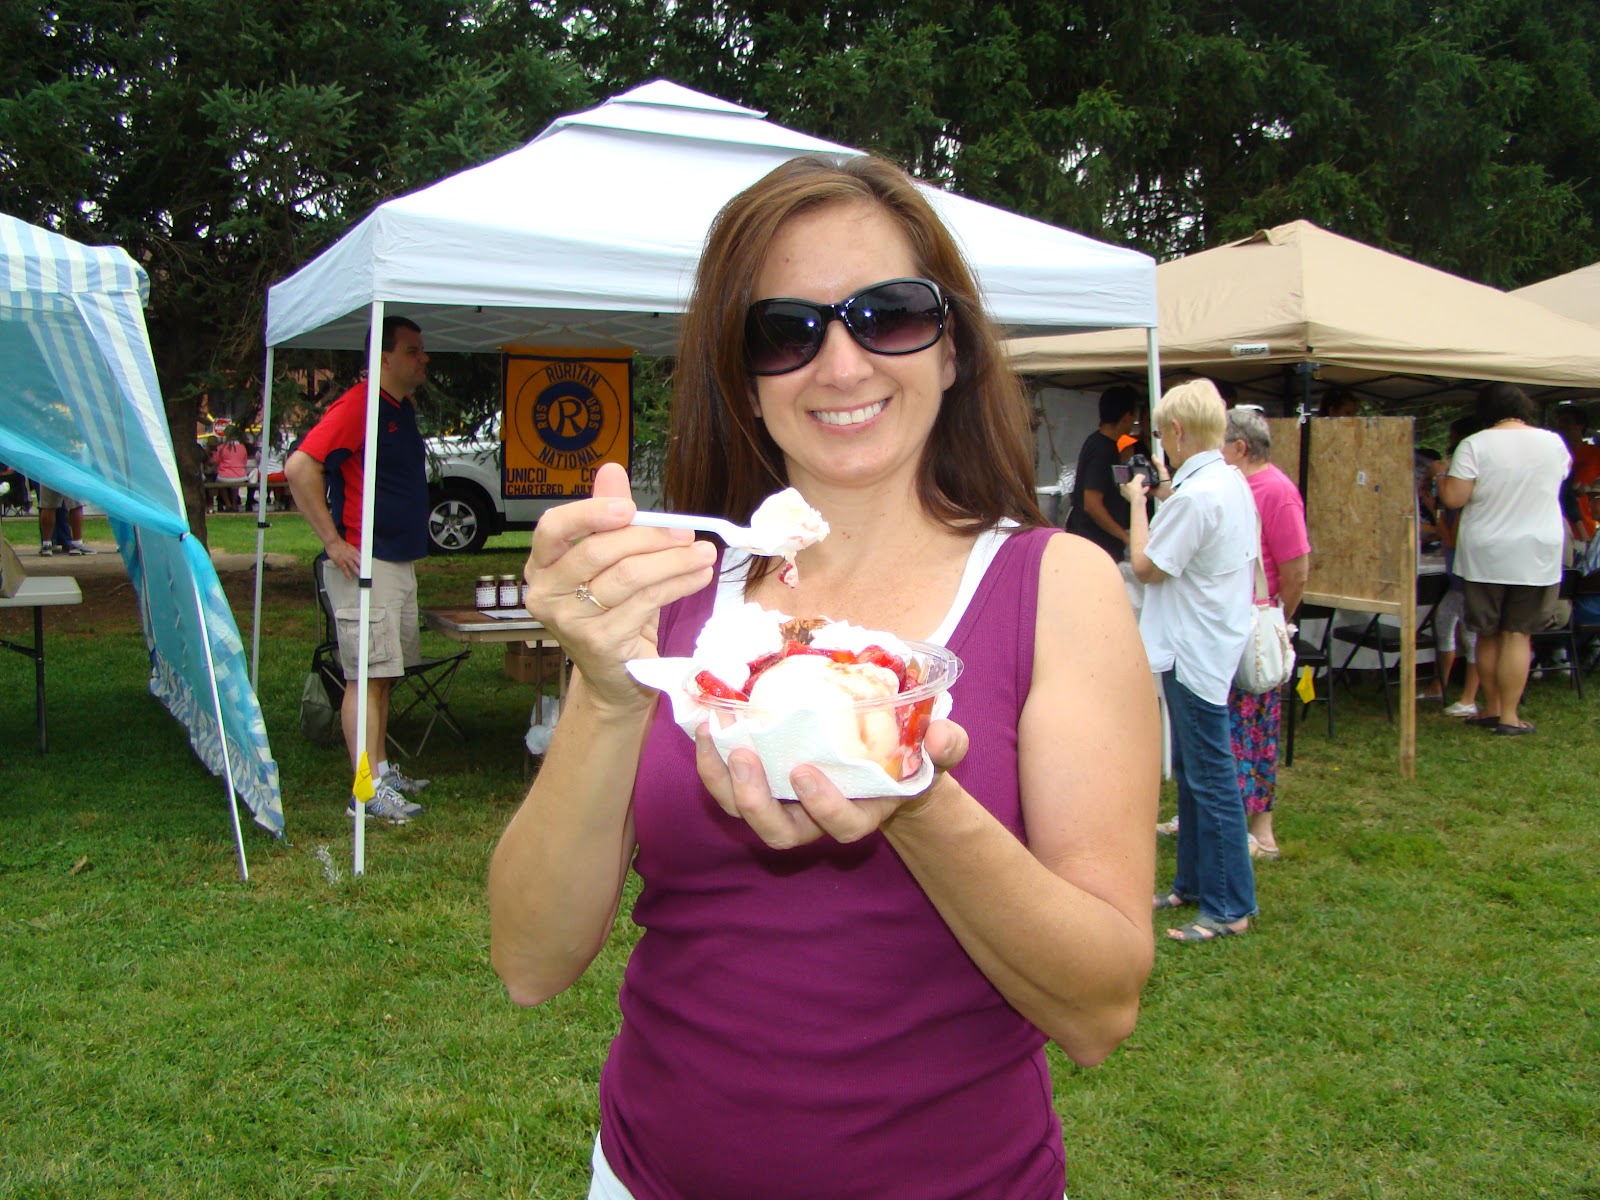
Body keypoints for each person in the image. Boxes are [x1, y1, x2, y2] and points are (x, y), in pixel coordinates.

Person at [489, 154, 1158, 1199]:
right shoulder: (670, 598)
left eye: (888, 314)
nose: (840, 365)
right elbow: (529, 963)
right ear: (744, 382)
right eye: (785, 330)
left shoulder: (1054, 584)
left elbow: (1099, 1006)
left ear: (952, 352)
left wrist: (914, 796)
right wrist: (612, 692)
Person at [1122, 378, 1259, 942]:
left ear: (1176, 431)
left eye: (1162, 434)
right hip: (1209, 640)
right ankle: (1195, 884)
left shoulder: (1199, 495)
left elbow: (1147, 564)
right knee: (1197, 774)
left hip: (1192, 647)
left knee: (1209, 778)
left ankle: (1230, 906)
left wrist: (1138, 505)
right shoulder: (1226, 480)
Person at [285, 315, 433, 821]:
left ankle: (381, 768)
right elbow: (300, 466)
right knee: (365, 677)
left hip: (395, 559)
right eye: (413, 350)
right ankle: (364, 791)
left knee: (384, 674)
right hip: (363, 564)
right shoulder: (360, 406)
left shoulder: (398, 407)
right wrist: (332, 540)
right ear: (385, 359)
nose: (423, 358)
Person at [1438, 383, 1570, 736]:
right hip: (1537, 550)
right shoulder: (1553, 443)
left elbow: (1454, 498)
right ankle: (1511, 716)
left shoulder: (1474, 444)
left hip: (1486, 550)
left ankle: (1492, 709)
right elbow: (1558, 480)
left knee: (1488, 632)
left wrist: (1439, 476)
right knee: (1517, 633)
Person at [1219, 407, 1309, 859]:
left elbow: (1296, 571)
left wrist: (1277, 621)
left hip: (1256, 622)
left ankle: (1262, 827)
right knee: (1229, 725)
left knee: (1256, 724)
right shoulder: (1236, 486)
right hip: (1228, 620)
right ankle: (1228, 813)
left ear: (1239, 447)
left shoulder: (1275, 490)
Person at [1064, 384, 1141, 561]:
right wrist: (1124, 536)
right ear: (1127, 417)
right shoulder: (1102, 449)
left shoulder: (1104, 444)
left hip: (1097, 544)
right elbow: (1092, 504)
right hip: (1096, 545)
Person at [1553, 403, 1599, 545]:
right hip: (1560, 524)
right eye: (1559, 422)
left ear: (1580, 426)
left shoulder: (1595, 454)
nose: (1561, 426)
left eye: (1567, 422)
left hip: (1589, 523)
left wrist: (1589, 488)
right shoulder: (1554, 455)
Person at [35, 486, 94, 556]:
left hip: (50, 475)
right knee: (75, 505)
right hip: (70, 476)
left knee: (48, 506)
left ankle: (46, 545)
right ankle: (77, 544)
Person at [208, 433, 250, 512]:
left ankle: (228, 504)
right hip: (240, 475)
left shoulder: (222, 448)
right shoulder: (242, 447)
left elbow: (215, 461)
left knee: (220, 483)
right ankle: (234, 504)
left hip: (224, 476)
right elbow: (245, 461)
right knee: (235, 486)